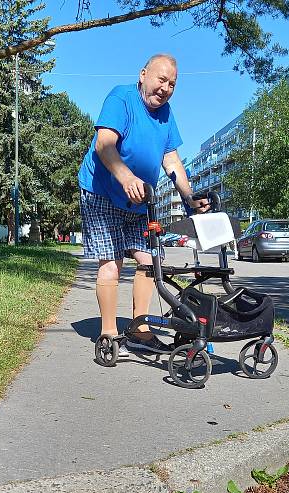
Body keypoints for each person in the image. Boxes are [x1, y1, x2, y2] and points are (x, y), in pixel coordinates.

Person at [78, 53, 211, 355]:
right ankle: (109, 335)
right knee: (112, 263)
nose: (166, 88)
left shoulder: (166, 114)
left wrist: (189, 197)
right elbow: (104, 144)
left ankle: (140, 329)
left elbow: (171, 159)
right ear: (143, 75)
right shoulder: (121, 98)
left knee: (151, 262)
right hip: (102, 191)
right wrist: (125, 177)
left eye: (172, 84)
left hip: (141, 199)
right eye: (161, 79)